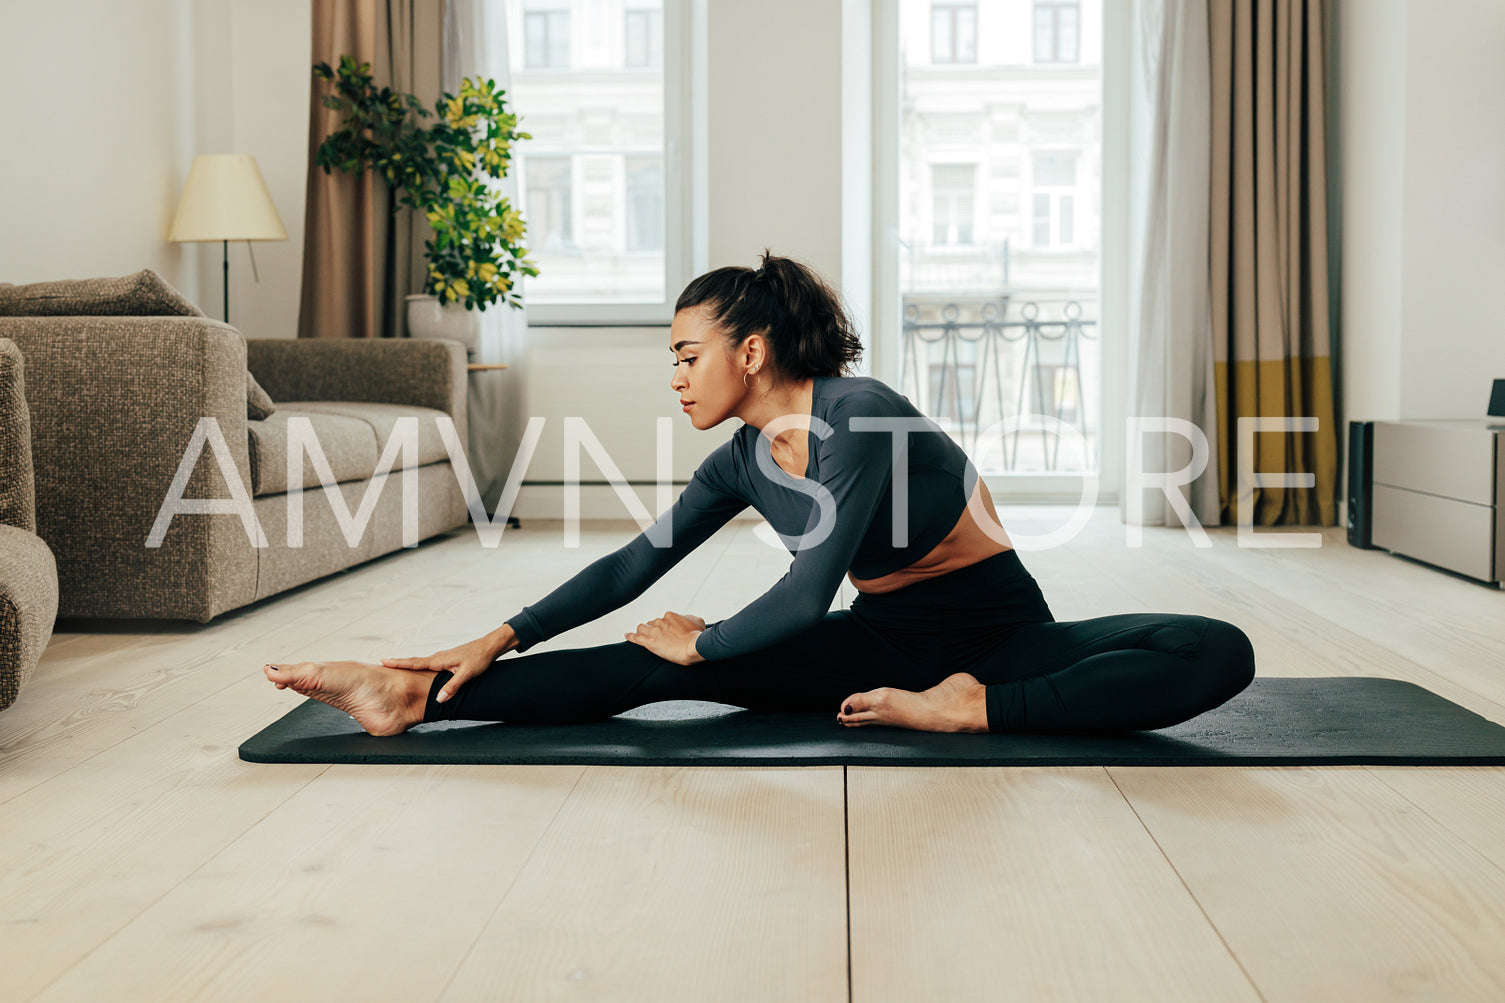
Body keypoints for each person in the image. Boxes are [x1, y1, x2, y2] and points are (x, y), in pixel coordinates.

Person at [263, 250, 1255, 737]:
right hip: (882, 645)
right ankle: (410, 697)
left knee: (1215, 650)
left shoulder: (857, 414)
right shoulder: (740, 458)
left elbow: (805, 590)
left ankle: (972, 711)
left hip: (998, 637)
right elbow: (634, 558)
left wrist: (708, 638)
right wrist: (498, 635)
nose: (676, 375)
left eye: (687, 355)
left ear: (751, 349)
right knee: (650, 669)